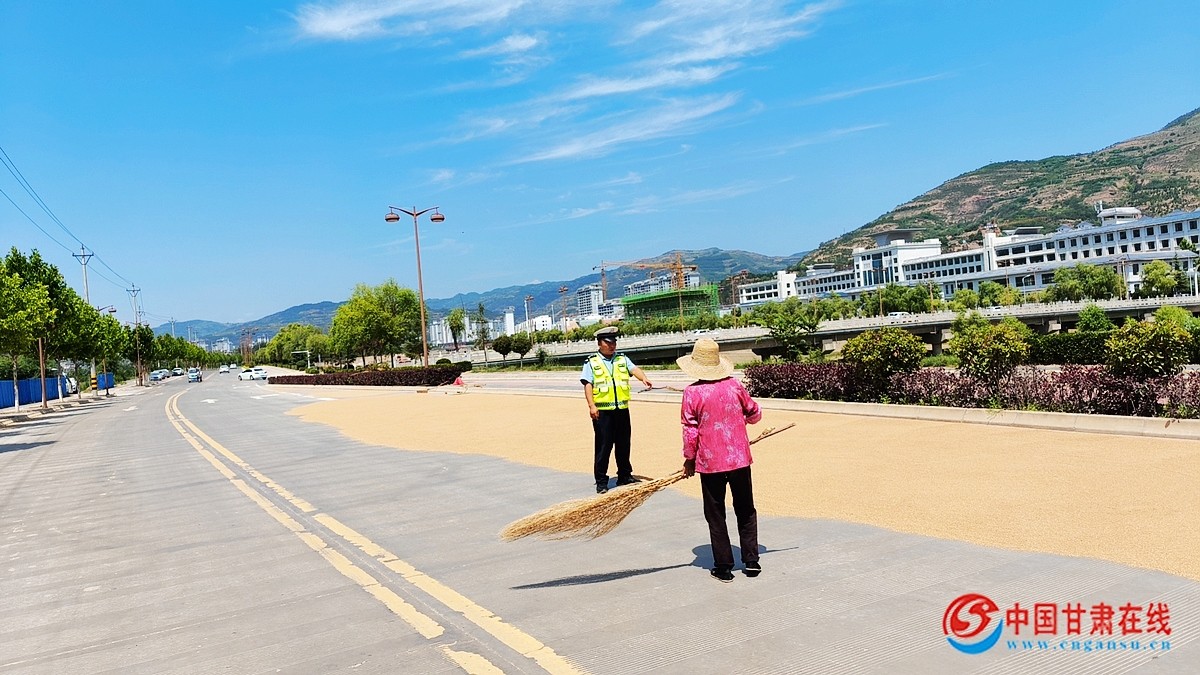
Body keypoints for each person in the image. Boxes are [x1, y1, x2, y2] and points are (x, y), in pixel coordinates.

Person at [677, 338, 762, 583]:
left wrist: (689, 459)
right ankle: (751, 560)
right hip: (739, 459)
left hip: (710, 461)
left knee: (715, 513)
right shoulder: (735, 386)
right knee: (745, 508)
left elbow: (690, 431)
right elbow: (754, 413)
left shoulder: (692, 393)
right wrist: (740, 420)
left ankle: (724, 566)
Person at [581, 326, 653, 494]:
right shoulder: (591, 362)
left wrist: (644, 378)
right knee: (603, 446)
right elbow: (588, 384)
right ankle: (601, 481)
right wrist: (591, 406)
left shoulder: (622, 359)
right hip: (603, 412)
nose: (612, 345)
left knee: (623, 444)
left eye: (614, 342)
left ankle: (624, 475)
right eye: (608, 342)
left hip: (621, 409)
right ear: (600, 343)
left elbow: (634, 369)